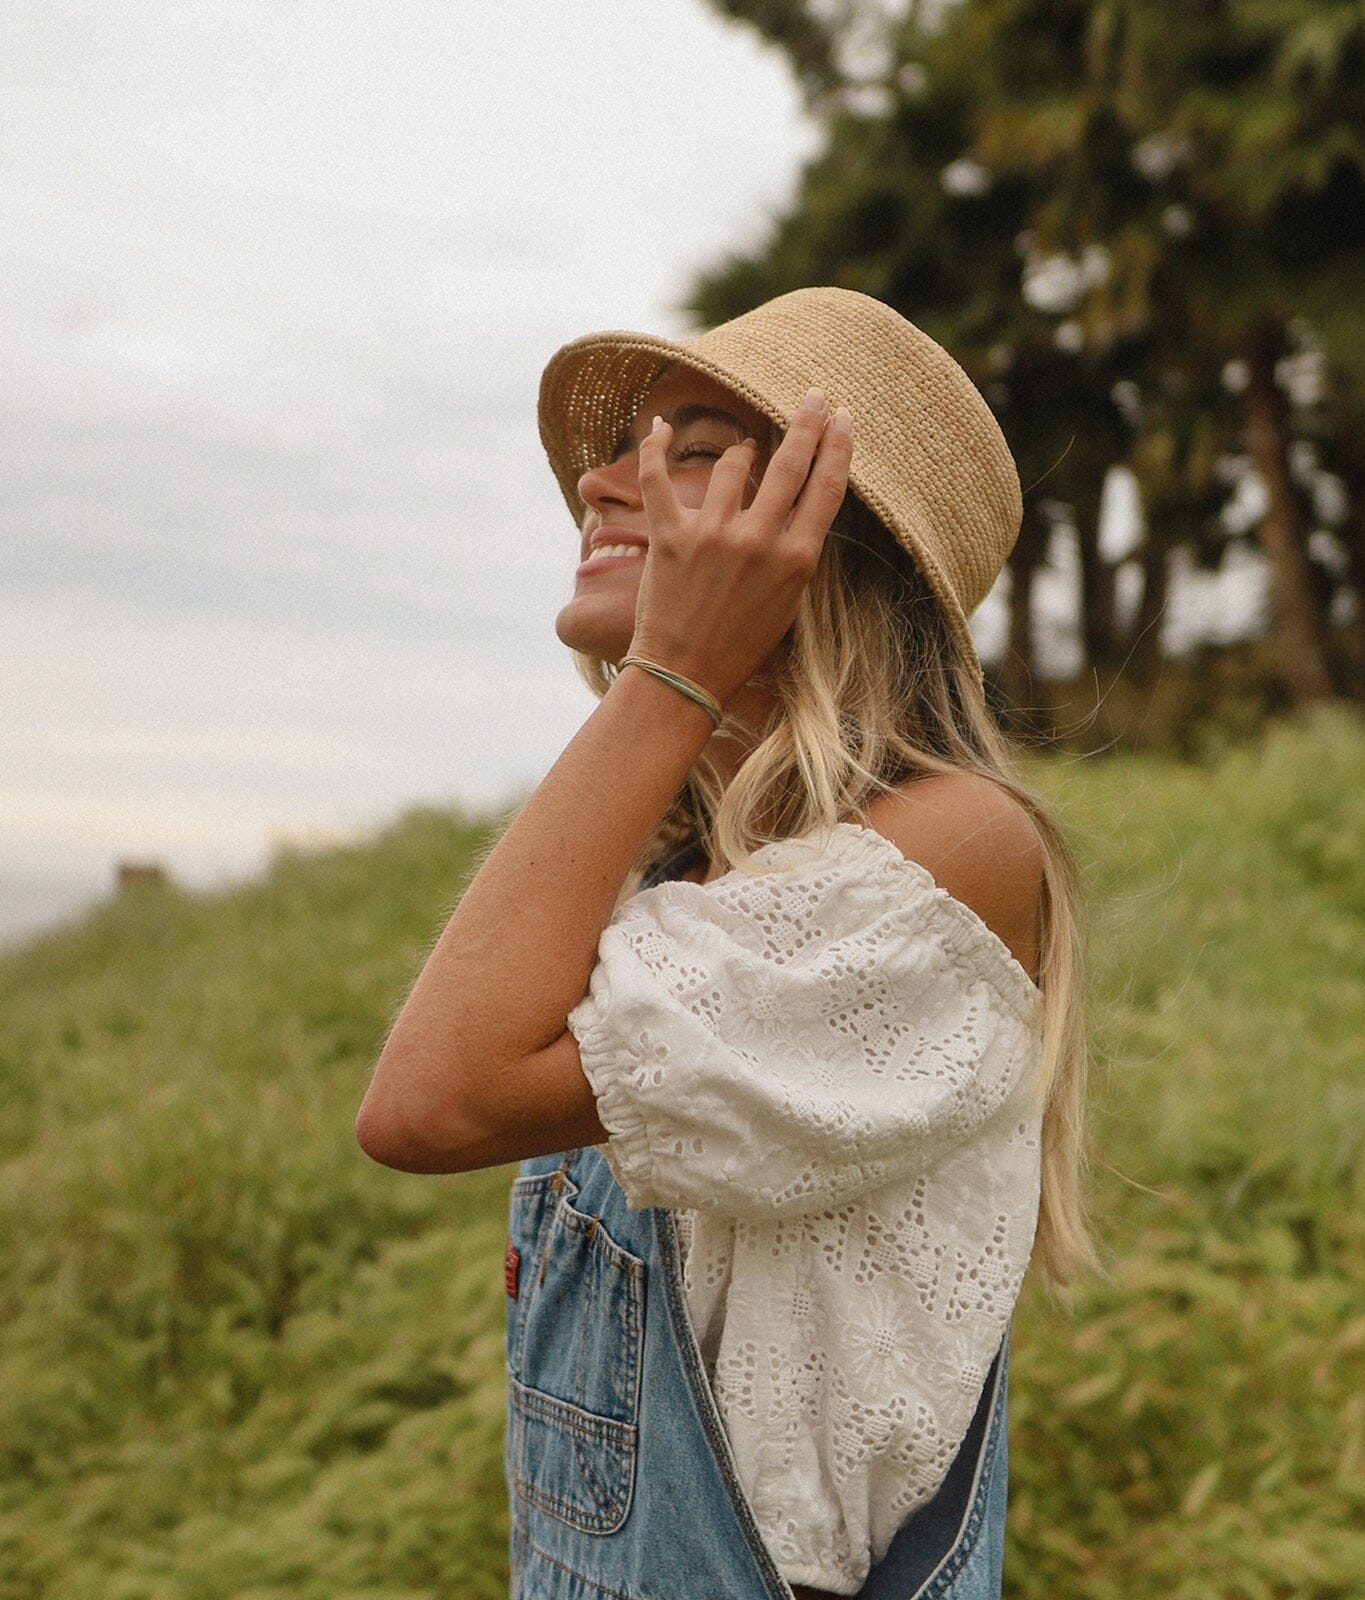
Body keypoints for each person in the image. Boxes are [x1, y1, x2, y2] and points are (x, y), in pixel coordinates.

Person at [356, 286, 1097, 1599]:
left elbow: (431, 1101)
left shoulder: (958, 847)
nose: (601, 483)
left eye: (690, 453)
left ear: (833, 542)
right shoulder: (689, 878)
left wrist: (669, 677)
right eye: (623, 450)